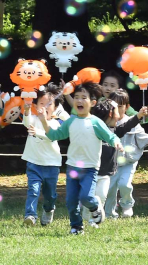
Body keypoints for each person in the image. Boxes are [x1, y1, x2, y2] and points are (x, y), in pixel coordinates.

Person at [31, 82, 123, 235]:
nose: (79, 101)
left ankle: (95, 207)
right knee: (71, 201)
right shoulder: (71, 121)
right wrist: (43, 120)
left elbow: (110, 136)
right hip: (73, 167)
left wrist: (117, 143)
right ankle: (76, 226)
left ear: (92, 103)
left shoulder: (95, 122)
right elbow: (54, 135)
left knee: (86, 196)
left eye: (83, 98)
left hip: (90, 168)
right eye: (77, 97)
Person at [89, 99, 148, 222]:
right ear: (112, 114)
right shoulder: (96, 130)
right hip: (94, 171)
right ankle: (88, 216)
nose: (120, 114)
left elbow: (127, 125)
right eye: (117, 109)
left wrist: (138, 116)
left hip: (107, 173)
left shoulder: (116, 130)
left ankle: (95, 220)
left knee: (102, 196)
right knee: (91, 197)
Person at [104, 89, 148, 218]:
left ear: (126, 107)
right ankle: (109, 213)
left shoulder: (132, 121)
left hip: (128, 162)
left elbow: (143, 137)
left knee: (124, 184)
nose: (117, 109)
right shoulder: (106, 123)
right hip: (112, 163)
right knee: (109, 189)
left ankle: (127, 205)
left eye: (120, 106)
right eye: (114, 106)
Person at [21, 83, 63, 226]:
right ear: (36, 105)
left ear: (55, 108)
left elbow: (52, 136)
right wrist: (26, 112)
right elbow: (27, 123)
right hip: (34, 162)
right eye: (41, 103)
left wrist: (38, 132)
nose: (44, 107)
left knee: (50, 195)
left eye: (49, 104)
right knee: (33, 190)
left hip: (52, 165)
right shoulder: (33, 118)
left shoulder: (56, 123)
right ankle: (30, 215)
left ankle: (49, 209)